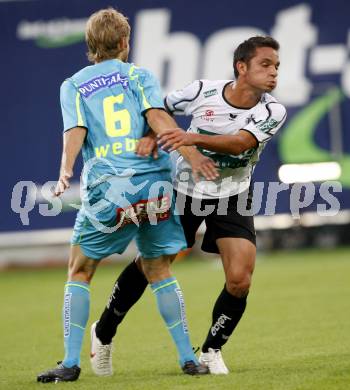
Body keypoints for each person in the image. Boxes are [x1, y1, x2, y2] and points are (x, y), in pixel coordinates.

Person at [36, 8, 218, 383]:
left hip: (109, 190)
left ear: (91, 46)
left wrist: (65, 171)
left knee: (81, 271)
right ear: (124, 42)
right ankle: (188, 359)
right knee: (159, 269)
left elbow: (76, 132)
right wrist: (191, 152)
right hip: (153, 186)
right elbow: (158, 120)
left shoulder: (73, 84)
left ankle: (70, 364)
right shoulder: (139, 76)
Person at [90, 35, 287, 376]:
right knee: (151, 265)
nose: (273, 73)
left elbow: (241, 143)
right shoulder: (201, 91)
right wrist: (152, 135)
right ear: (242, 67)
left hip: (233, 195)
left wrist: (191, 137)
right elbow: (157, 109)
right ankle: (103, 332)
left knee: (240, 280)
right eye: (265, 65)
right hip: (183, 191)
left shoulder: (273, 110)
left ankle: (211, 350)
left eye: (277, 67)